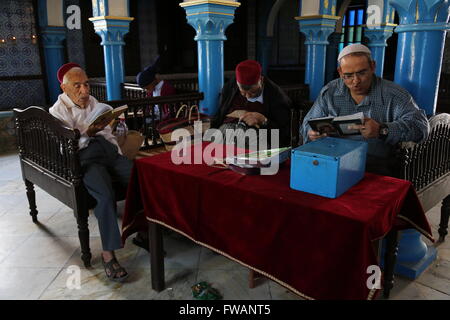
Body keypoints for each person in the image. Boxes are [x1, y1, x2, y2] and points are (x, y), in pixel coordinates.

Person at [49, 63, 132, 282]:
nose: (85, 91)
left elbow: (106, 132)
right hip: (85, 159)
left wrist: (117, 151)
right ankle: (108, 254)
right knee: (105, 197)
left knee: (140, 178)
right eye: (77, 86)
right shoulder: (58, 111)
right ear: (65, 89)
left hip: (107, 152)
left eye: (86, 84)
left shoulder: (94, 102)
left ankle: (143, 231)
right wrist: (88, 131)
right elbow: (65, 147)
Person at [300, 44, 430, 176]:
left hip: (376, 166)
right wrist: (311, 133)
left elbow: (421, 128)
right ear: (340, 72)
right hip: (334, 162)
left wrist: (382, 130)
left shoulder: (394, 95)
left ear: (373, 67)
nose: (356, 81)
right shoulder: (330, 92)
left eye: (362, 73)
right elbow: (307, 124)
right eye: (348, 75)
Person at [211, 59, 292, 148]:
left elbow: (284, 134)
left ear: (261, 80)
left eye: (253, 92)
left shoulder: (277, 96)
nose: (248, 97)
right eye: (243, 93)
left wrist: (263, 120)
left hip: (258, 135)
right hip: (228, 129)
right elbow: (220, 114)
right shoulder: (230, 87)